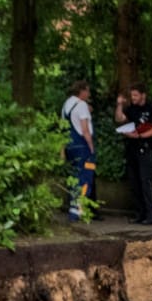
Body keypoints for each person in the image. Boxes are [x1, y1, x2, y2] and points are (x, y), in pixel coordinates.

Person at [114, 85, 152, 225]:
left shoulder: (151, 108)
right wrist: (119, 105)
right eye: (132, 95)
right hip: (131, 149)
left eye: (136, 95)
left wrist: (139, 136)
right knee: (134, 182)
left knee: (146, 181)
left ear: (143, 95)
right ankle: (140, 213)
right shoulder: (131, 109)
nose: (133, 98)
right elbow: (120, 119)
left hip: (144, 147)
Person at [60, 81, 96, 220]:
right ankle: (78, 211)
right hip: (82, 146)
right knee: (84, 179)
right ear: (82, 91)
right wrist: (91, 147)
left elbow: (63, 128)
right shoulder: (81, 105)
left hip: (70, 146)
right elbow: (85, 129)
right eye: (87, 91)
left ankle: (73, 209)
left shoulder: (66, 105)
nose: (89, 94)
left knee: (74, 178)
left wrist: (62, 150)